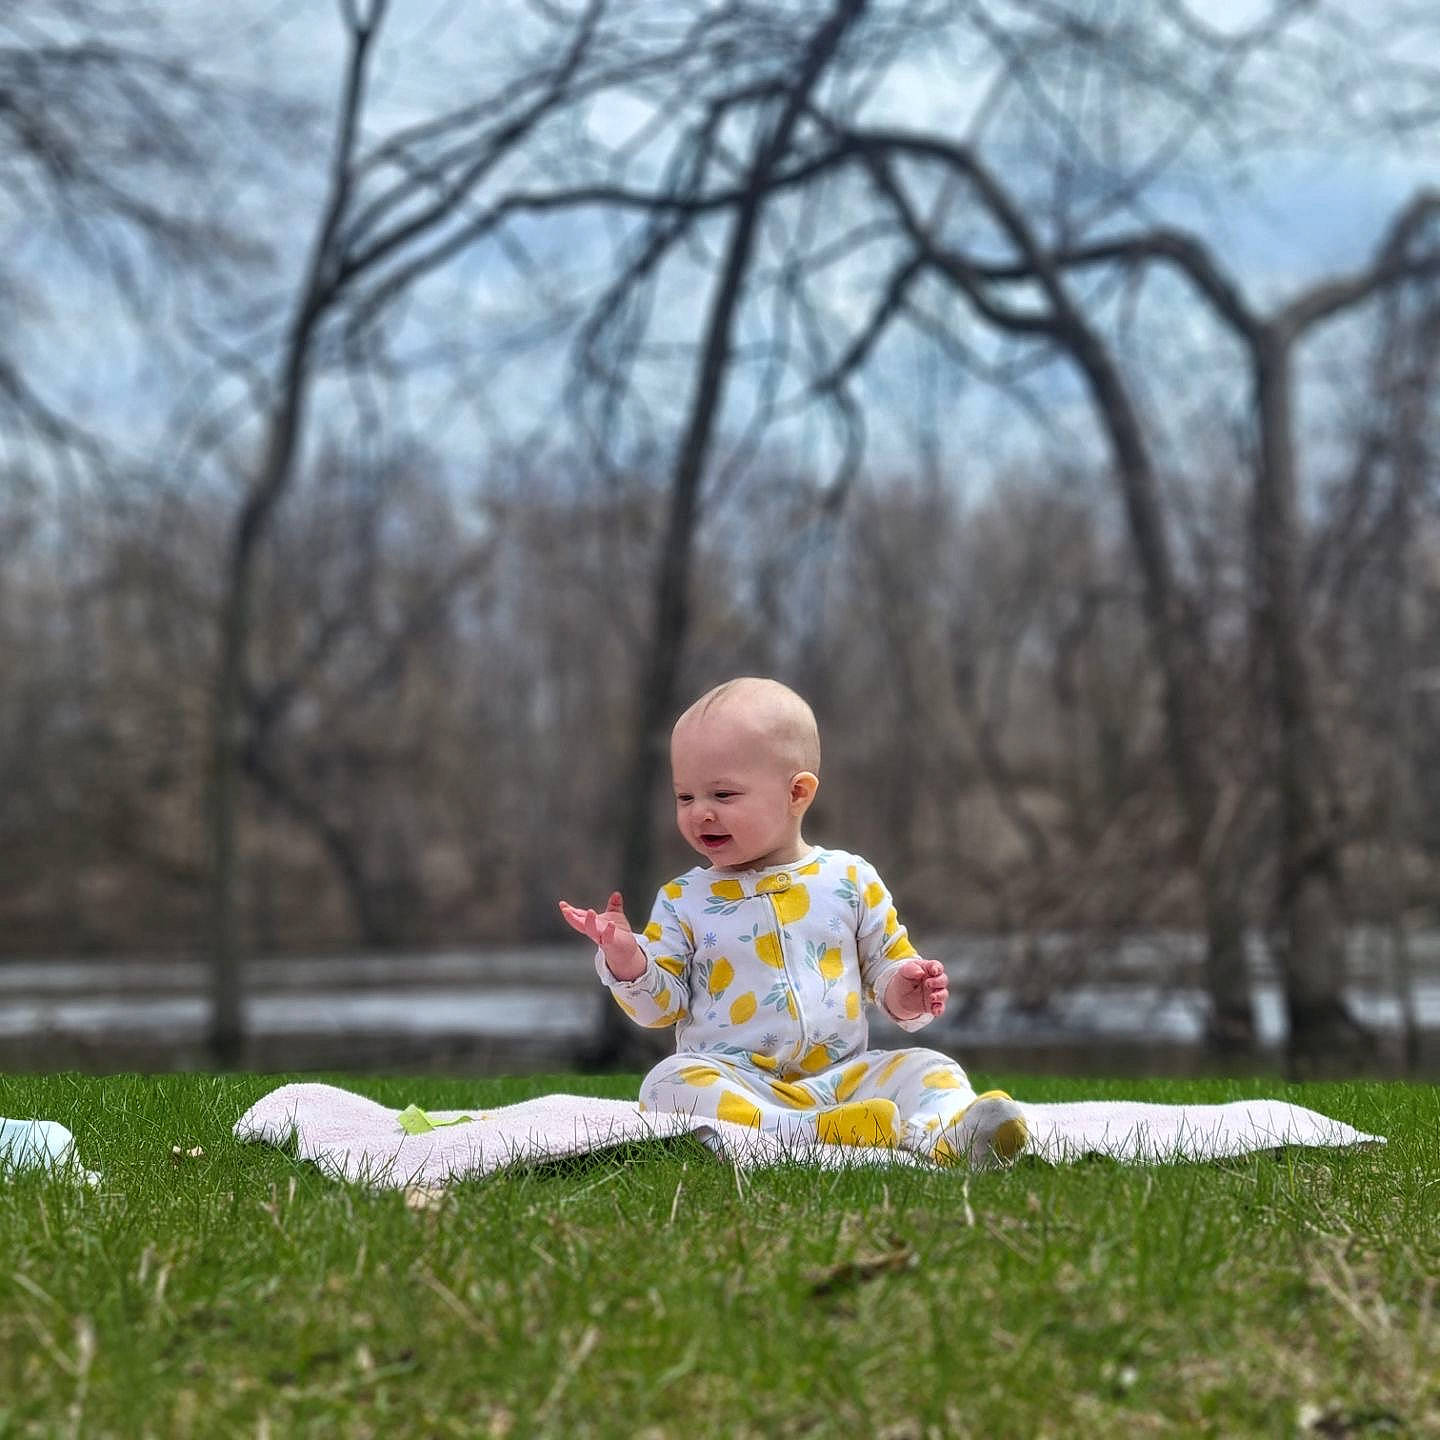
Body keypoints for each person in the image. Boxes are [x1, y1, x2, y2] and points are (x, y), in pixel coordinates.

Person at [558, 676, 1027, 1169]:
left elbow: (887, 965)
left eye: (722, 793)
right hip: (739, 1081)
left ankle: (953, 1135)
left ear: (797, 793)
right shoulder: (683, 899)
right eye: (685, 797)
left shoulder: (849, 879)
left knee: (930, 1068)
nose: (701, 814)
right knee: (667, 1084)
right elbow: (660, 1006)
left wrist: (904, 991)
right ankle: (807, 1133)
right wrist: (628, 959)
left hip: (845, 1080)